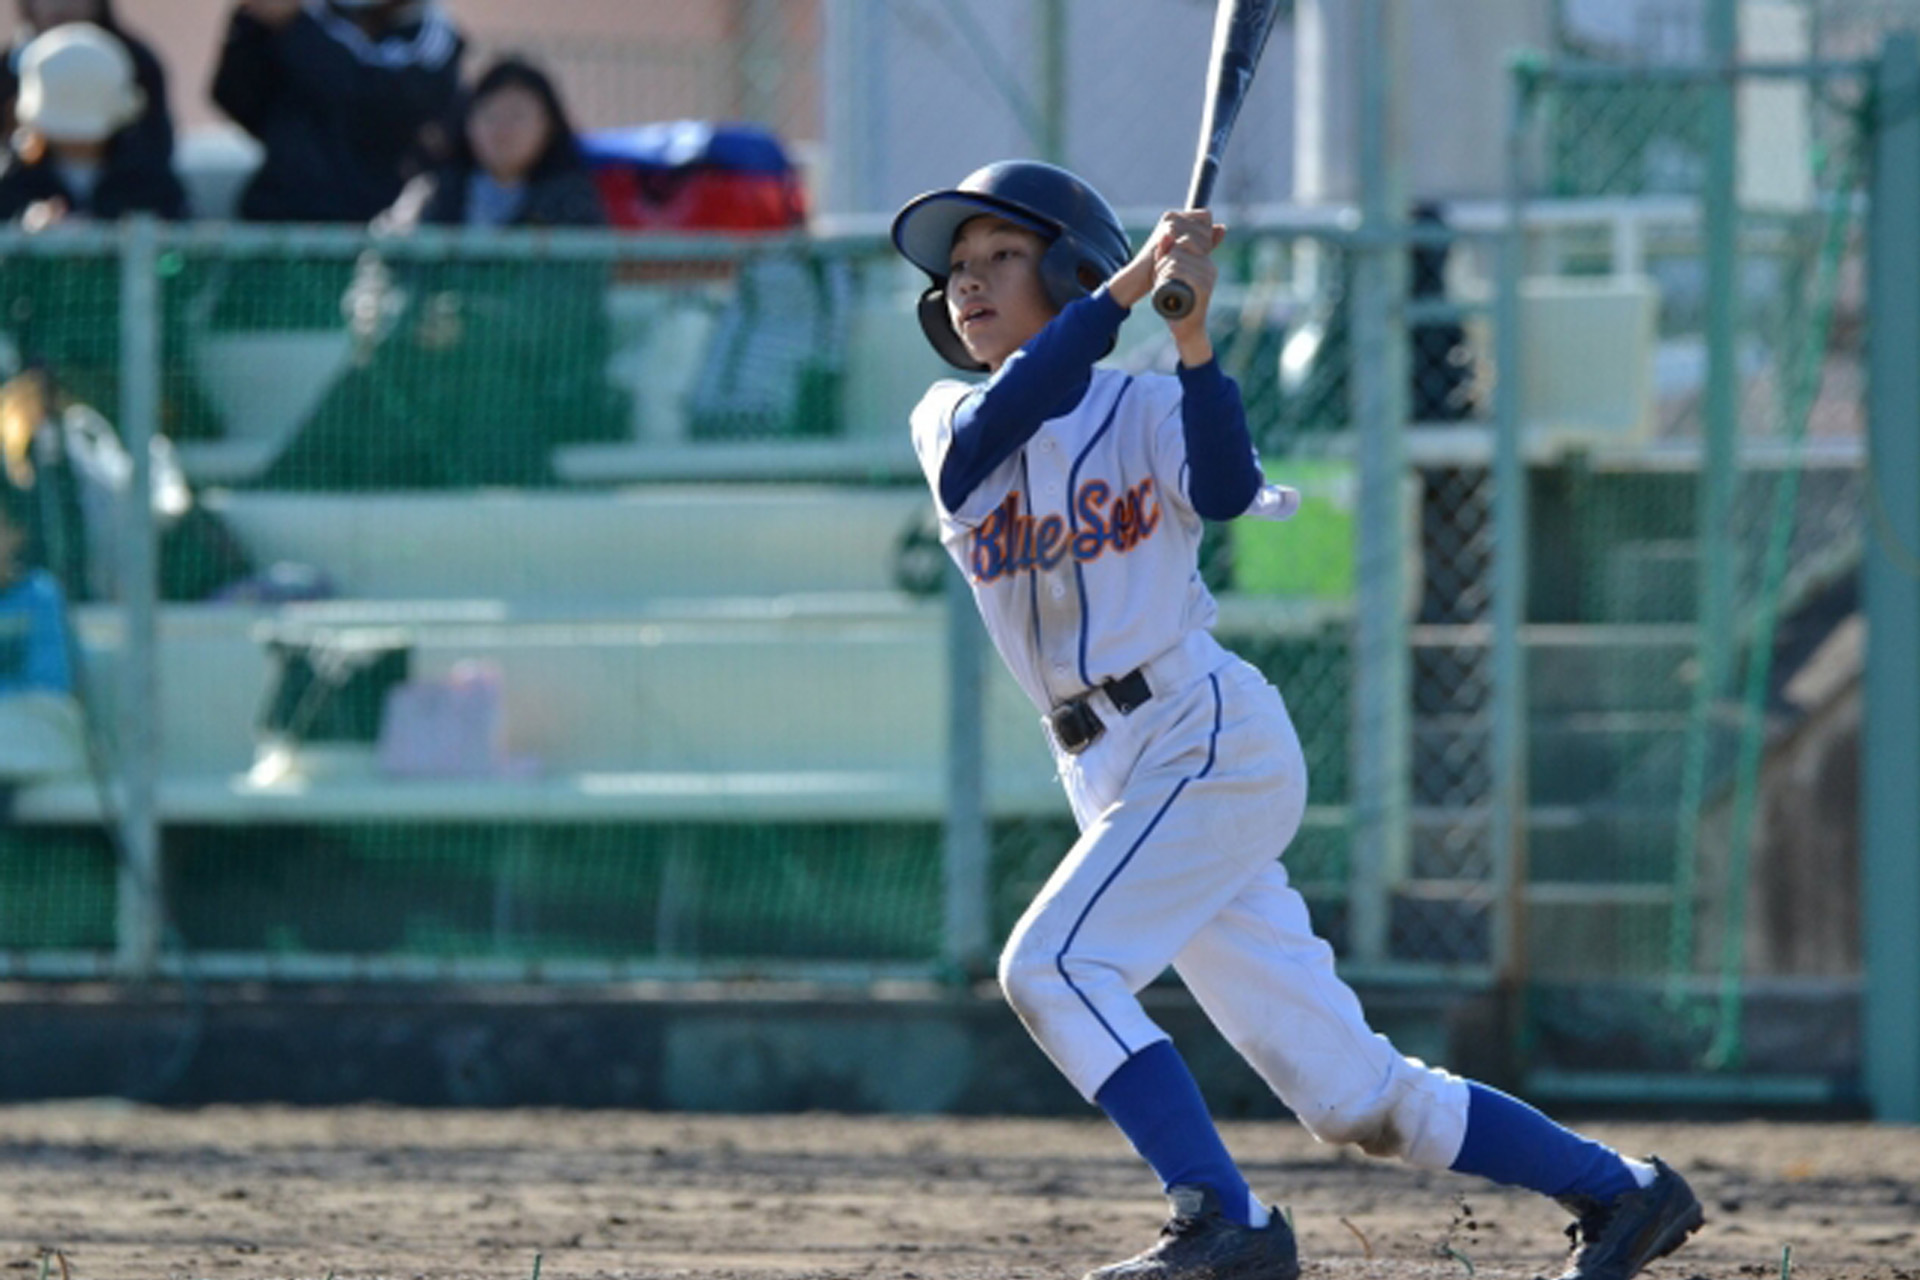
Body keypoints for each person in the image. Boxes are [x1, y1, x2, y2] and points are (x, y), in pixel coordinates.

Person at [889, 160, 1705, 1280]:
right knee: (1351, 1093)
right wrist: (1129, 292)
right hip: (1111, 767)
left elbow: (1224, 491)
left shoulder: (1142, 407)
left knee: (1052, 966)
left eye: (1000, 257)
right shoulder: (949, 416)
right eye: (957, 270)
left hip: (1201, 731)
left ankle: (1224, 1219)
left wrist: (1192, 339)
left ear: (1068, 265)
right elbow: (1010, 420)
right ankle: (1624, 1194)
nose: (968, 282)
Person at [256, 56, 626, 489]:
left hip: (540, 387)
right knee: (378, 378)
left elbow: (567, 307)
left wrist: (471, 322)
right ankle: (284, 492)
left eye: (519, 115)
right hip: (426, 366)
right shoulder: (432, 197)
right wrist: (405, 318)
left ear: (550, 126)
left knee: (445, 386)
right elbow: (381, 275)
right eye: (489, 114)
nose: (503, 129)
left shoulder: (571, 205)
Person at [210, 0, 464, 224]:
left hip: (366, 230)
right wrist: (253, 24)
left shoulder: (432, 38)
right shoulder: (315, 15)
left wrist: (295, 25)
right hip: (272, 213)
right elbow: (239, 99)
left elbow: (370, 103)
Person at [0, 20, 185, 221]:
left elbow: (180, 238)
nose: (77, 141)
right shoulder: (14, 180)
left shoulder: (149, 181)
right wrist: (26, 227)